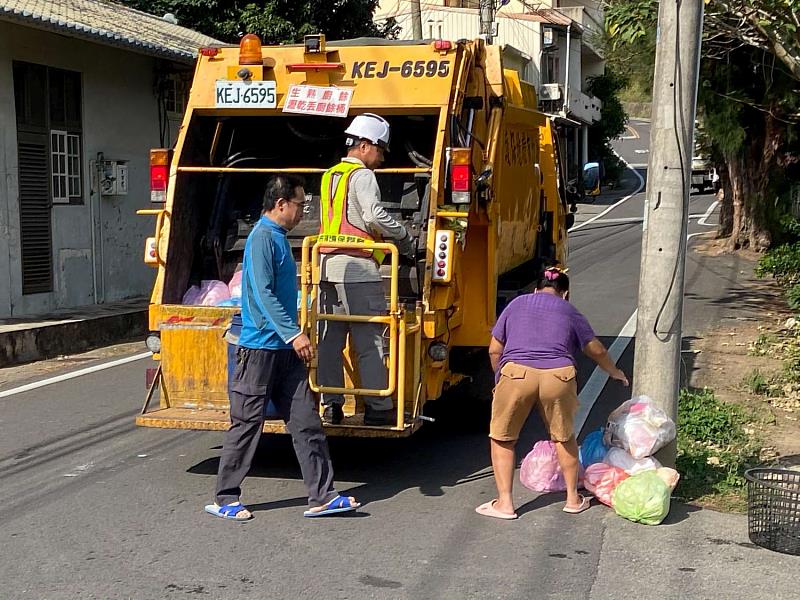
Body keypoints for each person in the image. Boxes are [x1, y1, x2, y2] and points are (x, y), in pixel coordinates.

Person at [205, 175, 359, 521]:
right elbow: (262, 292)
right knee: (246, 424)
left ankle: (322, 495)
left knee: (306, 423)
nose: (302, 211)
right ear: (280, 205)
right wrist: (294, 334)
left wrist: (291, 336)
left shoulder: (276, 238)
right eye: (300, 204)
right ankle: (226, 497)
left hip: (284, 352)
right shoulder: (262, 238)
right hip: (259, 349)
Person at [476, 267, 629, 520]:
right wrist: (614, 372)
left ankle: (504, 503)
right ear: (565, 293)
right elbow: (597, 349)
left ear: (536, 289)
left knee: (502, 437)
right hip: (558, 375)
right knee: (563, 437)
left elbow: (494, 349)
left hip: (516, 374)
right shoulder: (569, 310)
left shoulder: (516, 304)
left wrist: (500, 378)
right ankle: (572, 499)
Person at [317, 113, 414, 426]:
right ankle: (378, 407)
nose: (382, 158)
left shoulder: (329, 174)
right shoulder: (363, 177)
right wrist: (402, 234)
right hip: (358, 267)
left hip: (326, 266)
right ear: (363, 145)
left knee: (330, 340)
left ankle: (331, 405)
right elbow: (373, 216)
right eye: (380, 150)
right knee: (368, 340)